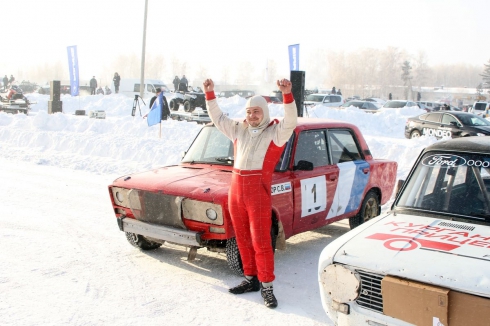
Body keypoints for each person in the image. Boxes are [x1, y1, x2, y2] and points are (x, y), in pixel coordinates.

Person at [202, 77, 297, 309]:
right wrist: (210, 95)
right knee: (242, 238)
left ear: (264, 112)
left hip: (258, 194)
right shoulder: (238, 130)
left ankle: (267, 287)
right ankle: (250, 279)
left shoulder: (275, 132)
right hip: (235, 191)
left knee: (261, 241)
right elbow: (218, 118)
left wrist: (287, 95)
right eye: (249, 112)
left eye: (256, 112)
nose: (252, 116)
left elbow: (291, 121)